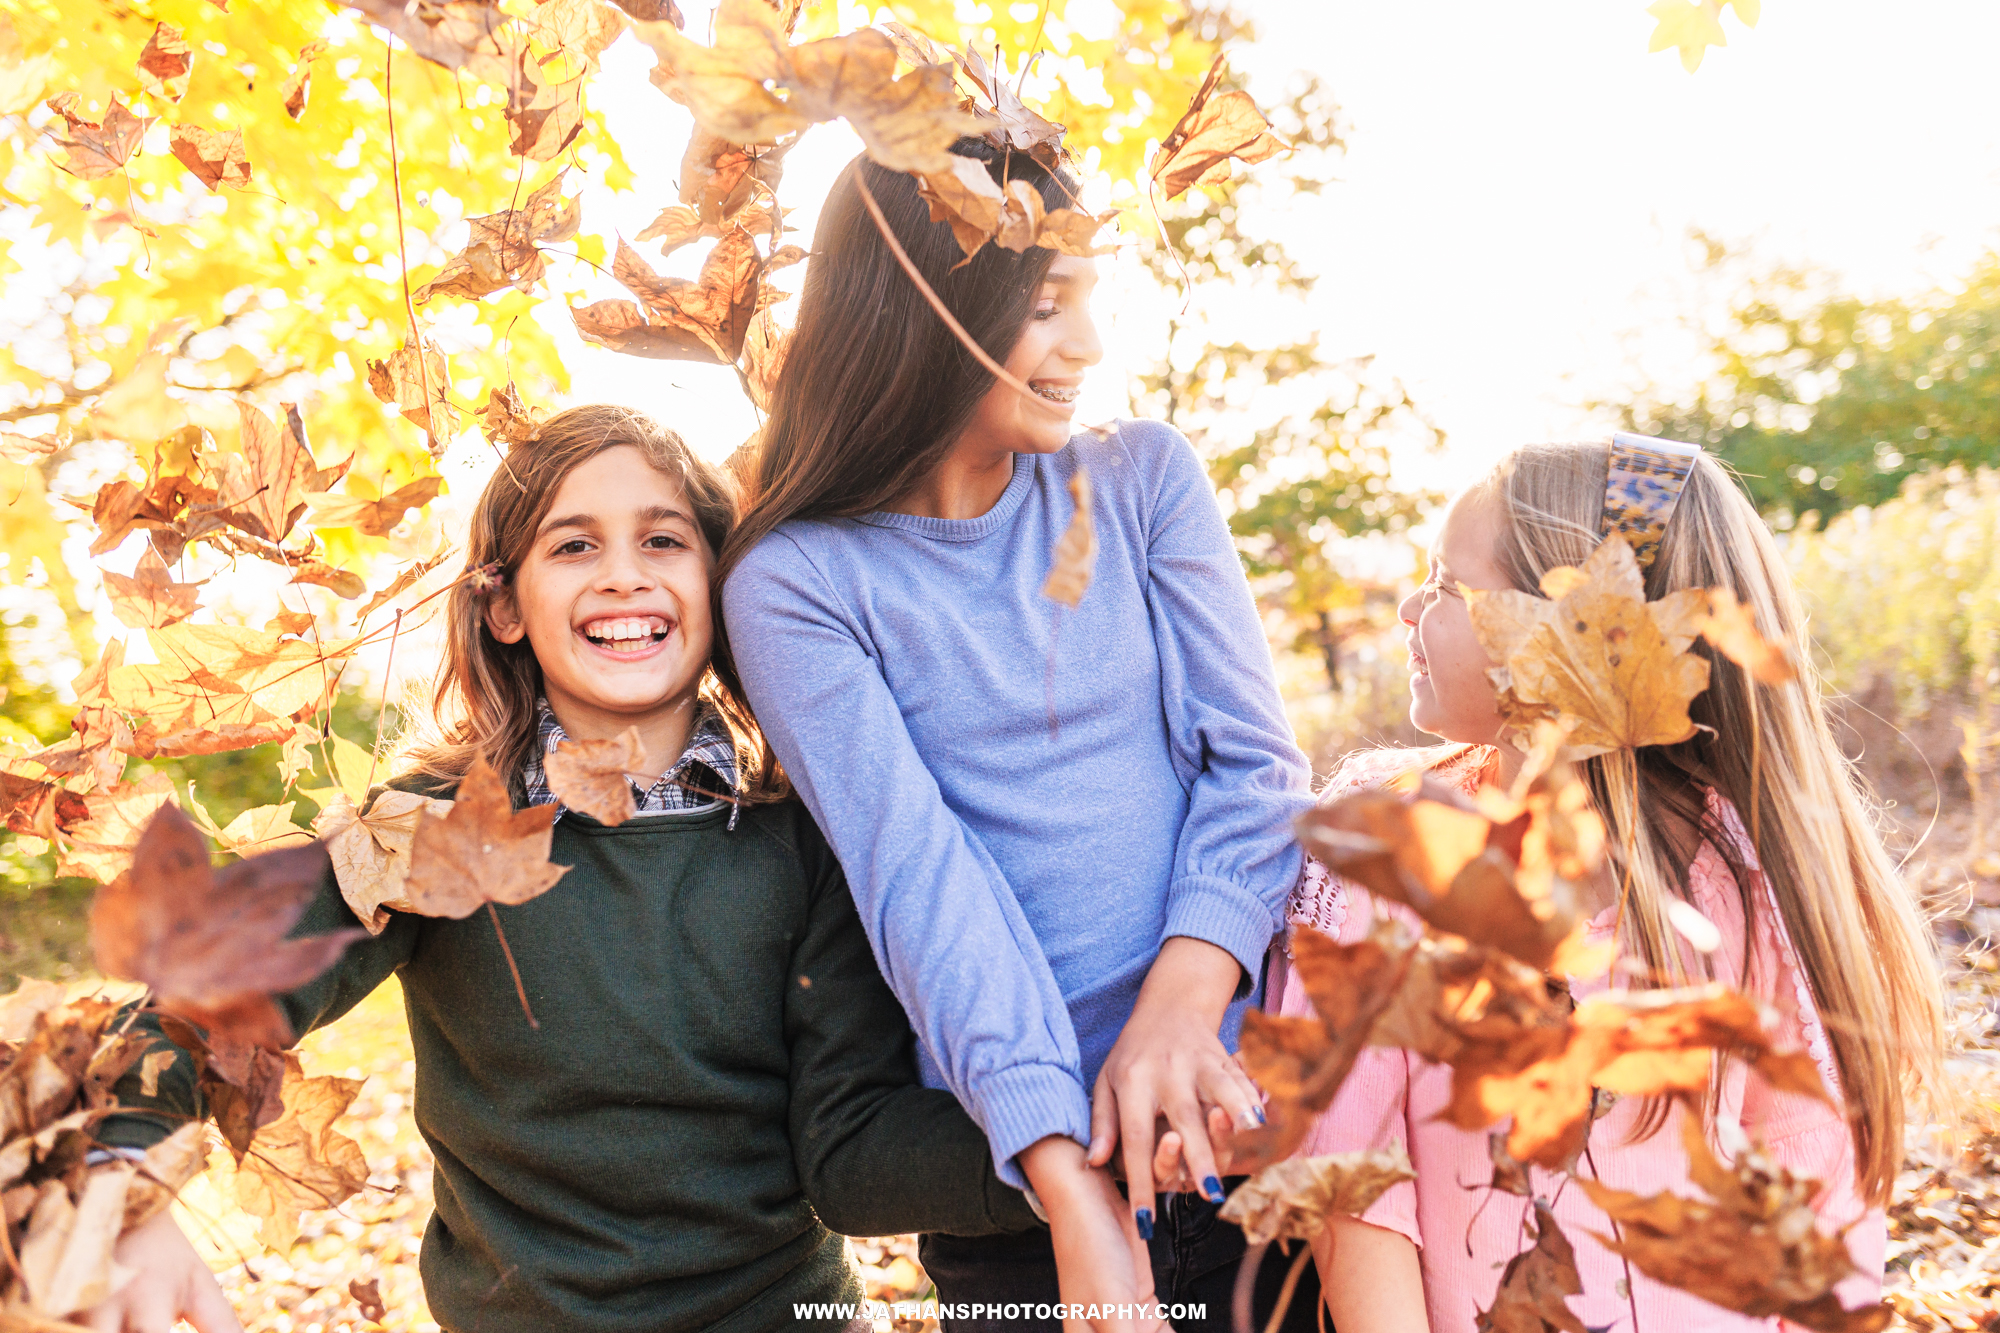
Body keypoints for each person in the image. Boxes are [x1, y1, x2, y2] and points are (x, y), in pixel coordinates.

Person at [82, 405, 1044, 1333]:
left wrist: (1070, 1152)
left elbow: (854, 1152)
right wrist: (125, 1175)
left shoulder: (802, 833)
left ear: (722, 582)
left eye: (664, 541)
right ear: (502, 604)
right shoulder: (431, 825)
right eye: (574, 545)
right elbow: (206, 996)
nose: (624, 576)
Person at [718, 140, 1318, 1330]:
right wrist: (1062, 1178)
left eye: (1087, 301)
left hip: (1256, 1129)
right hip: (1027, 1187)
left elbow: (1256, 771)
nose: (1088, 347)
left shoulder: (1142, 479)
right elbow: (918, 879)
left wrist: (1173, 1016)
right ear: (924, 312)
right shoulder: (798, 582)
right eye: (1047, 308)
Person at [1276, 436, 1944, 1331]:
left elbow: (1817, 1196)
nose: (1406, 608)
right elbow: (1351, 1180)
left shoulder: (1743, 879)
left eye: (1443, 586)